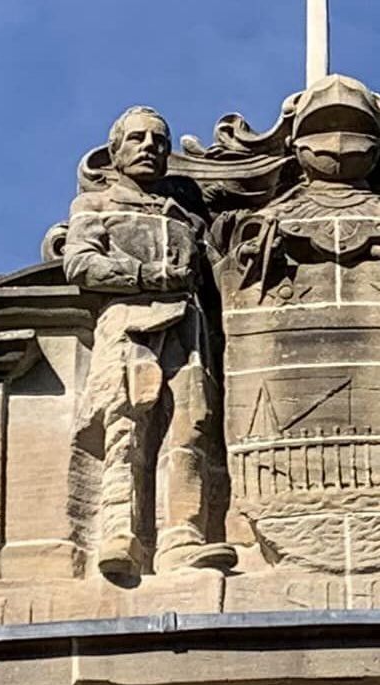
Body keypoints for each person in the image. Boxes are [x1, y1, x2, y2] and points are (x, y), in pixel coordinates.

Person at [61, 106, 236, 580]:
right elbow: (79, 264)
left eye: (159, 141)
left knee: (190, 427)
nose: (149, 147)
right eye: (136, 139)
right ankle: (120, 531)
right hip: (130, 323)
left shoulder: (185, 217)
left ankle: (184, 537)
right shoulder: (95, 206)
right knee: (126, 423)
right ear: (115, 152)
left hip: (189, 329)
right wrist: (146, 275)